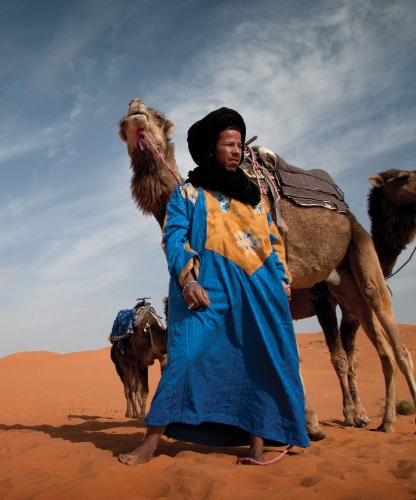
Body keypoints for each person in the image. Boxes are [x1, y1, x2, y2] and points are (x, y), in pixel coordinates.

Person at [118, 108, 309, 466]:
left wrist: (281, 278)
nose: (236, 151)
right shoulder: (188, 194)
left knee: (263, 360)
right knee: (185, 358)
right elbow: (174, 237)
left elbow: (272, 239)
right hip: (208, 290)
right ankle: (150, 443)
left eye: (239, 144)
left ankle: (256, 446)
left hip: (258, 290)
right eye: (228, 144)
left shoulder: (253, 198)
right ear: (211, 149)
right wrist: (188, 279)